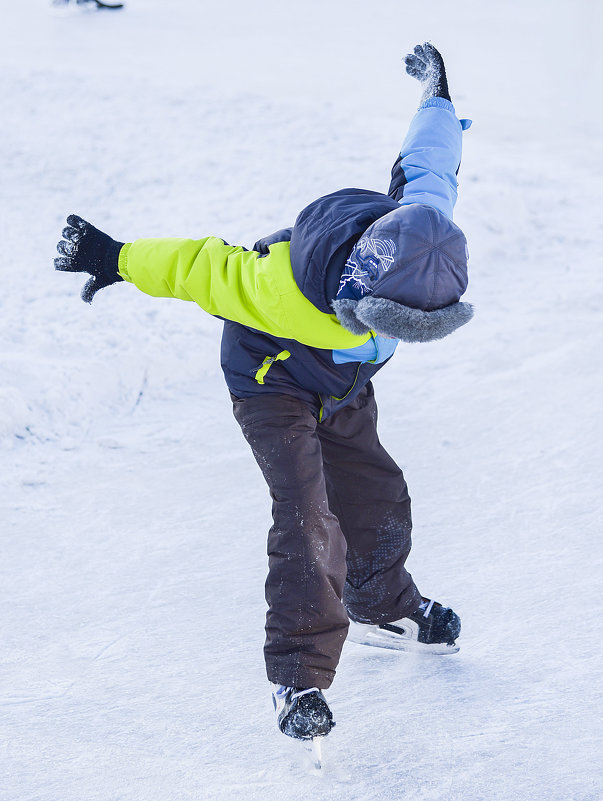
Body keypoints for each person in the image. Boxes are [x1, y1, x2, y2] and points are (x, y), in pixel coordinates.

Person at [54, 43, 473, 745]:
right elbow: (196, 265)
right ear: (360, 299)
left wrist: (438, 97)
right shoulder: (276, 289)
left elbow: (430, 162)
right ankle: (298, 677)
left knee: (376, 489)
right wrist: (113, 255)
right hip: (269, 381)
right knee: (309, 517)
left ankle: (382, 606)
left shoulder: (422, 223)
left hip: (341, 380)